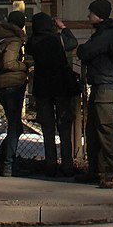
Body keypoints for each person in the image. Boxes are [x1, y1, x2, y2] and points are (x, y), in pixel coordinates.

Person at [75, 0, 113, 188]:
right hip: (100, 84)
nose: (88, 15)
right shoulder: (103, 32)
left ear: (98, 15)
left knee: (105, 127)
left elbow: (86, 52)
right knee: (92, 128)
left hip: (104, 85)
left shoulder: (106, 34)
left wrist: (82, 49)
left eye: (91, 12)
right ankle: (97, 170)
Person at [25, 11, 80, 176]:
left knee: (47, 128)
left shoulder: (33, 43)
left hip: (43, 89)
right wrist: (63, 28)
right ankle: (67, 165)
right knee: (64, 127)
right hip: (62, 87)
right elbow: (73, 43)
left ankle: (50, 164)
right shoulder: (58, 40)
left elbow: (28, 48)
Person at [0, 10, 29, 177]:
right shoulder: (14, 40)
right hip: (13, 84)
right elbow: (9, 62)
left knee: (15, 127)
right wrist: (24, 66)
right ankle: (6, 165)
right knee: (15, 127)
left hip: (1, 85)